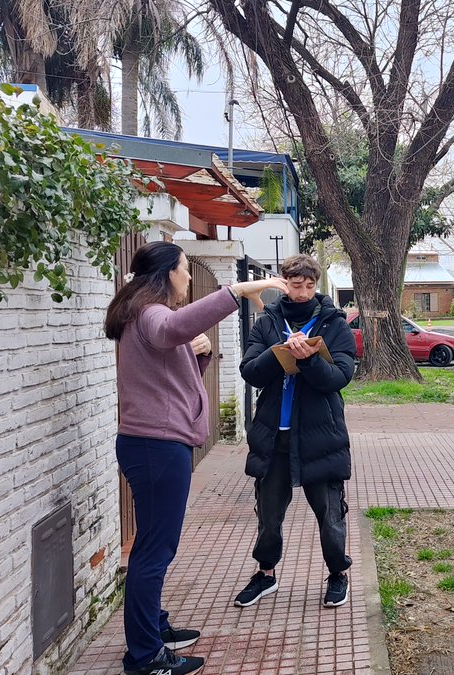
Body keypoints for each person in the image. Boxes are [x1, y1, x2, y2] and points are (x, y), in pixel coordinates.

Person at [105, 241, 287, 675]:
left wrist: (200, 355)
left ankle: (152, 630)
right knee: (154, 551)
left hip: (153, 444)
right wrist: (239, 291)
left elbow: (173, 381)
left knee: (152, 546)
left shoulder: (144, 315)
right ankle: (146, 656)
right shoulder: (152, 314)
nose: (188, 277)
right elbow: (171, 331)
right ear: (168, 273)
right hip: (155, 447)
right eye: (186, 269)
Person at [233, 254, 357, 610]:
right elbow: (250, 371)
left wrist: (308, 359)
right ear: (283, 283)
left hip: (321, 435)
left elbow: (339, 377)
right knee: (268, 515)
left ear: (315, 284)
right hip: (274, 436)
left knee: (330, 515)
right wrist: (280, 354)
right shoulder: (268, 322)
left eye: (307, 286)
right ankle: (265, 573)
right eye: (293, 285)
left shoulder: (334, 323)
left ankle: (338, 574)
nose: (301, 293)